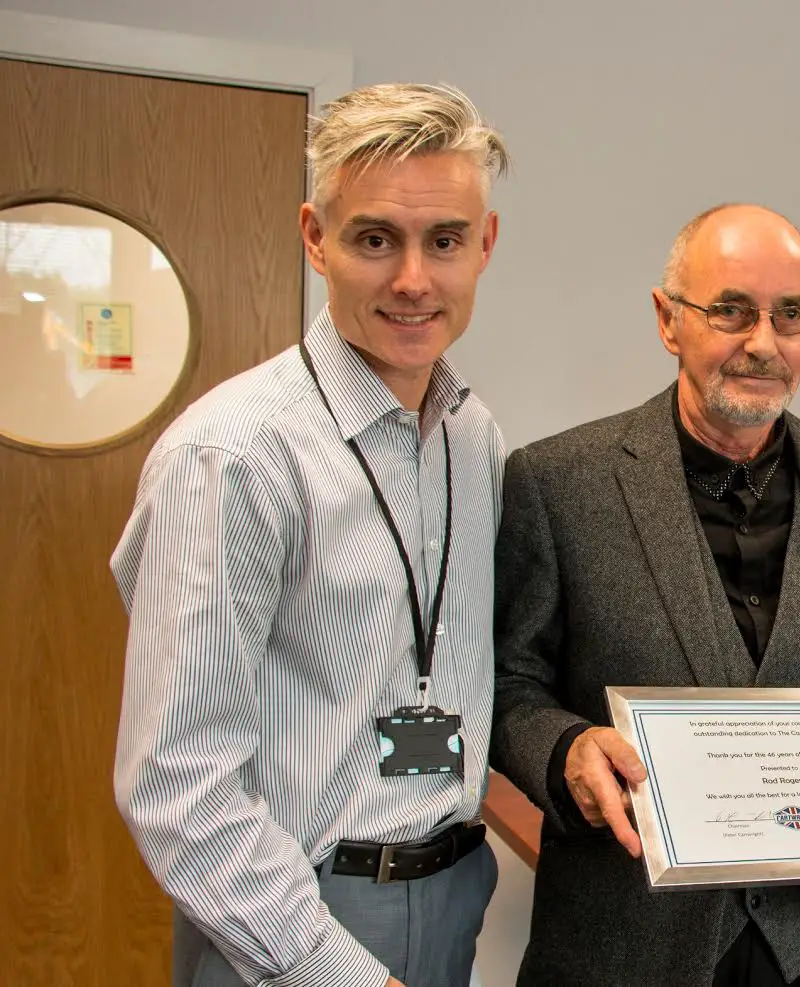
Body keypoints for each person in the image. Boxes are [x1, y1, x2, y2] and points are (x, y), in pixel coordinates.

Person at [490, 203, 800, 987]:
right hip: (626, 945)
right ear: (666, 319)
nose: (763, 342)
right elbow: (510, 683)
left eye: (791, 315)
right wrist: (564, 748)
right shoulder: (556, 483)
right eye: (731, 311)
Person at [111, 82, 509, 987]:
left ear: (483, 246)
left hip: (451, 897)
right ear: (314, 237)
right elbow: (178, 784)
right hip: (291, 925)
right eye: (376, 239)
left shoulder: (471, 435)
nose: (414, 279)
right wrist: (335, 970)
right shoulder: (235, 454)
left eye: (444, 241)